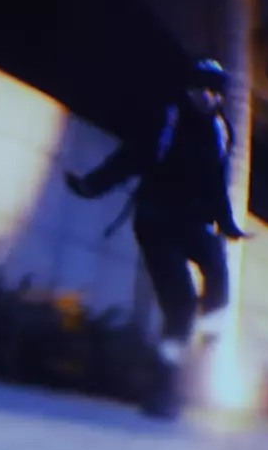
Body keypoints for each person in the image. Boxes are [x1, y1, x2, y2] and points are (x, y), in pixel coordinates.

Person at [64, 59, 250, 420]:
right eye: (199, 91)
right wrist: (90, 186)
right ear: (188, 90)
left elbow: (218, 184)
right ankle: (163, 389)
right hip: (157, 223)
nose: (206, 99)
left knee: (217, 265)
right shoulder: (166, 121)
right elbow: (128, 159)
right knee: (181, 306)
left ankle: (210, 342)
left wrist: (228, 224)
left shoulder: (221, 131)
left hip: (194, 224)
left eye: (213, 94)